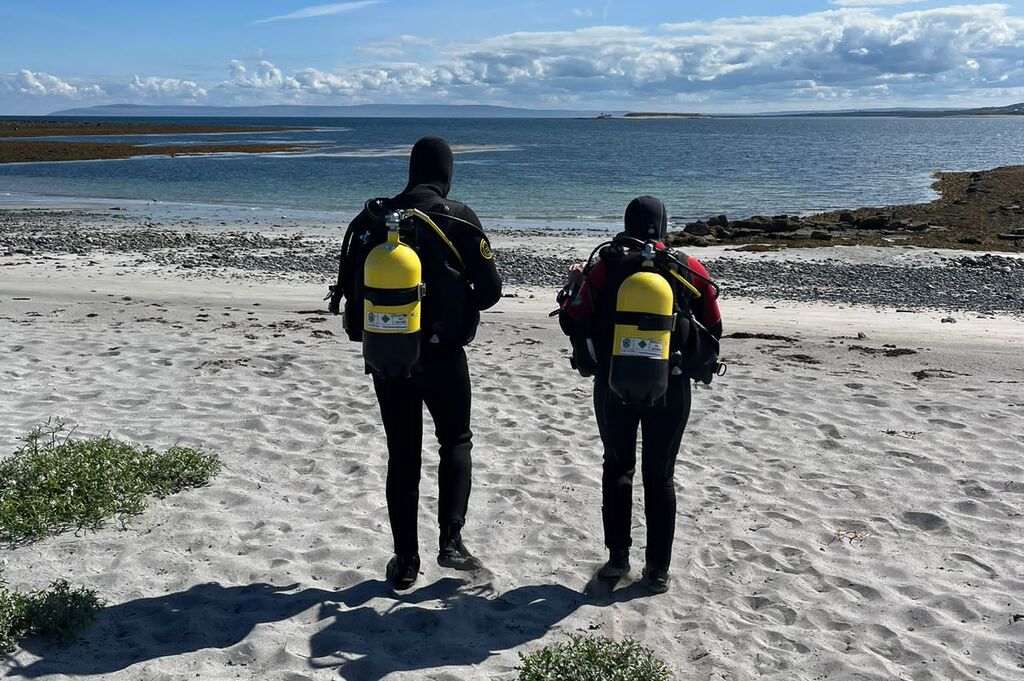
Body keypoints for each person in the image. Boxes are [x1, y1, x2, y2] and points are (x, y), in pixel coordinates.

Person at [329, 137, 502, 590]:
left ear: (410, 170)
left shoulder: (370, 222)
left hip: (389, 356)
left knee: (403, 455)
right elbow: (490, 292)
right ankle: (451, 541)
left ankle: (405, 560)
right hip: (443, 355)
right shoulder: (458, 218)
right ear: (446, 173)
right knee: (456, 440)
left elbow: (347, 291)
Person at [558, 196, 722, 594]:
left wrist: (575, 283)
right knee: (660, 475)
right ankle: (657, 571)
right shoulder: (686, 266)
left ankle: (617, 560)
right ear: (663, 226)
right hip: (671, 385)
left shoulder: (605, 266)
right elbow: (714, 325)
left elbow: (571, 320)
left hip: (613, 384)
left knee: (617, 468)